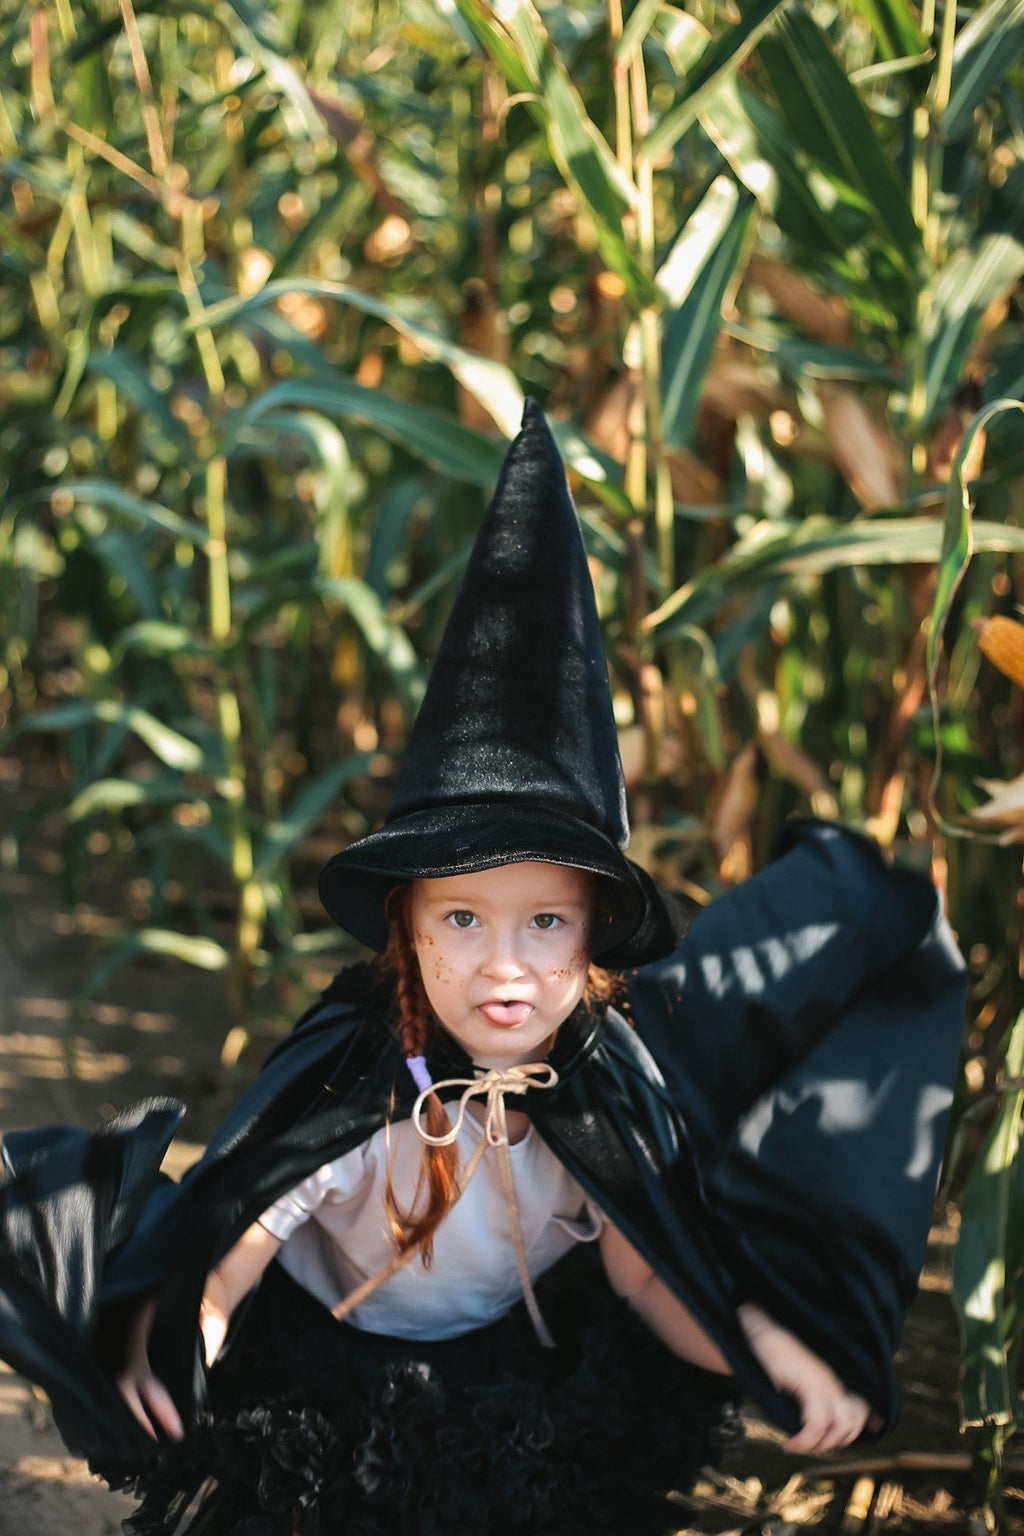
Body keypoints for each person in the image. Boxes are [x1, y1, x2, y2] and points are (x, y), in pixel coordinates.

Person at [0, 403, 966, 1536]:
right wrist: (183, 1337)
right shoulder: (353, 1095)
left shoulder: (603, 1096)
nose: (503, 964)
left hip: (507, 1368)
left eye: (546, 925)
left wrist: (766, 1351)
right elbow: (239, 1240)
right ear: (404, 927)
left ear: (595, 934)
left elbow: (651, 1276)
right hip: (330, 1366)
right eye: (460, 918)